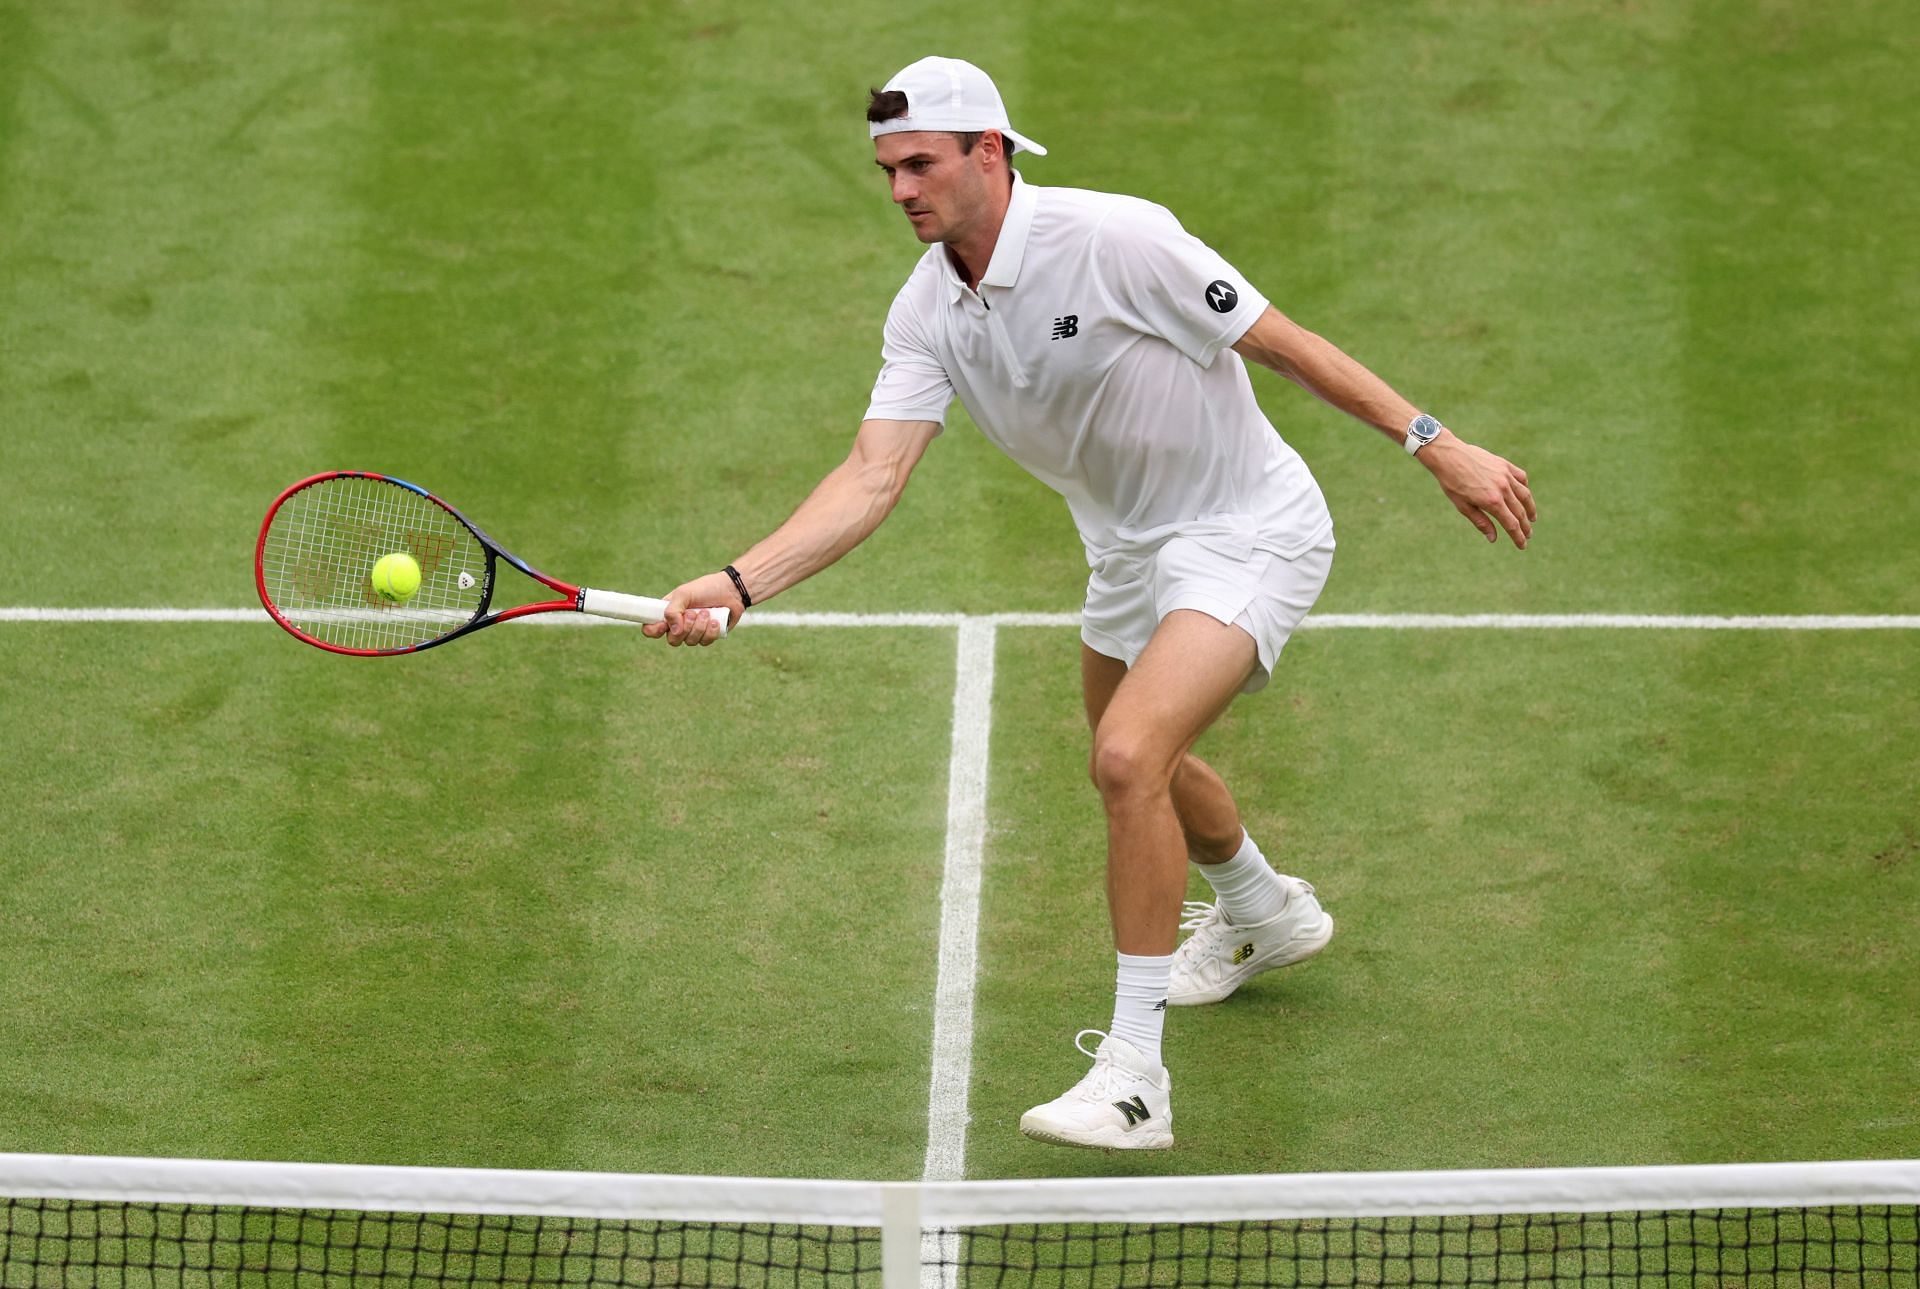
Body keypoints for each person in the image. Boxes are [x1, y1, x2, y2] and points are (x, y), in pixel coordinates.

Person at [644, 56, 1534, 1150]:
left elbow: (1285, 343)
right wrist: (737, 585)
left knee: (1127, 756)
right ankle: (1265, 912)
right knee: (1133, 754)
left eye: (920, 163)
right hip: (1124, 547)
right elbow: (872, 477)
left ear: (990, 151)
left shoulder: (1117, 239)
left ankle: (1133, 1076)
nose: (901, 191)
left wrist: (1437, 445)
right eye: (886, 171)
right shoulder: (927, 311)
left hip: (1249, 527)